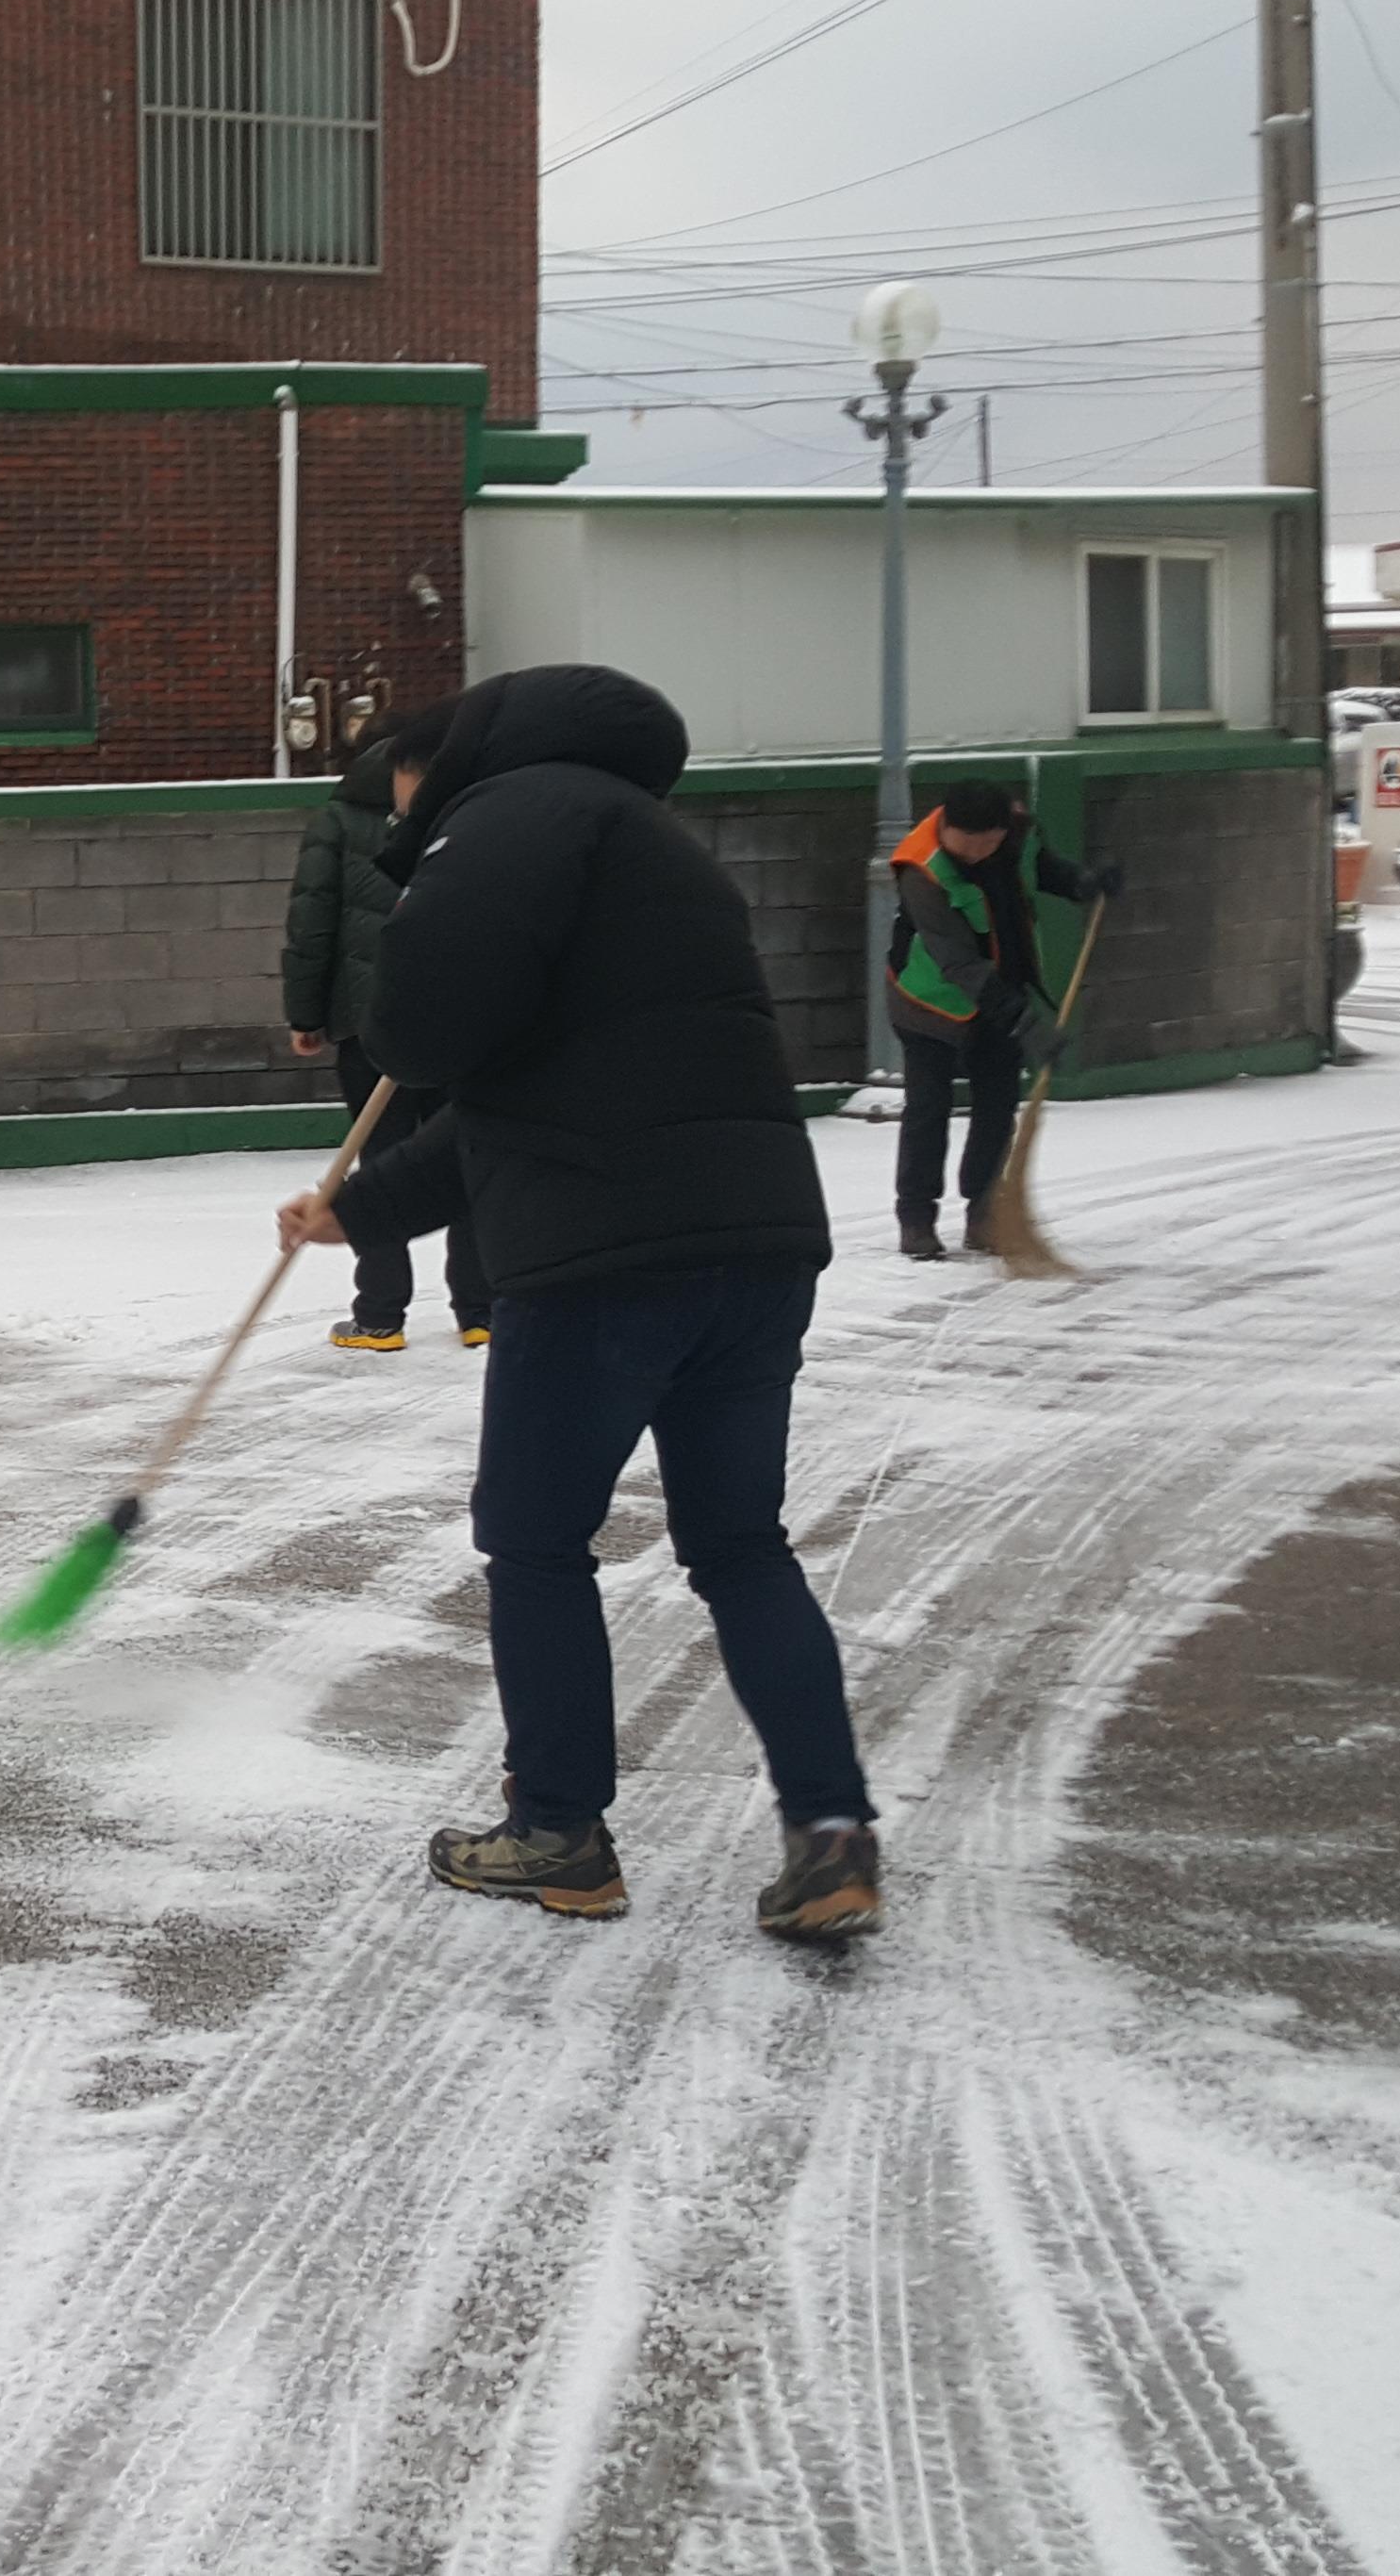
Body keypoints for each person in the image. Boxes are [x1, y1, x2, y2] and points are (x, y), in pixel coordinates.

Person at [283, 664, 884, 1940]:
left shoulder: (510, 820)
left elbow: (423, 1033)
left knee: (538, 1542)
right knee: (740, 1545)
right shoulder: (650, 845)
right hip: (756, 1247)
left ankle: (559, 1832)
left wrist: (394, 1008)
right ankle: (831, 1836)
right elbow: (529, 1097)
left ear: (442, 761)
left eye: (398, 782)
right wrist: (363, 1208)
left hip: (604, 1261)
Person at [280, 720, 486, 1352]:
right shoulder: (472, 814)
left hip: (370, 1025)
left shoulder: (338, 821)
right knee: (466, 1153)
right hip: (455, 1022)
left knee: (381, 1155)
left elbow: (312, 924)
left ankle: (379, 1313)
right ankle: (482, 1308)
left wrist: (306, 1016)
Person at [885, 780, 1112, 1263]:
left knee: (997, 1107)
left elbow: (1040, 869)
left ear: (1002, 832)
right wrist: (1025, 1023)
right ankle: (916, 1216)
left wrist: (1082, 884)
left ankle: (984, 1211)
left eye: (987, 847)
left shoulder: (1019, 834)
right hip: (930, 1002)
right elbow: (959, 963)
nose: (976, 857)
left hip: (1003, 991)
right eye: (964, 848)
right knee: (928, 1109)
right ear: (945, 825)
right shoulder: (922, 869)